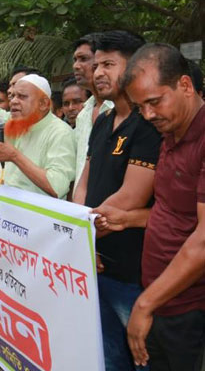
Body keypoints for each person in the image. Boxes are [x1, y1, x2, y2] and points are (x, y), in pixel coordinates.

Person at [95, 43, 205, 371]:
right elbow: (177, 212)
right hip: (161, 299)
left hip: (187, 307)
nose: (148, 115)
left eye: (154, 102)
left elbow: (202, 241)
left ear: (185, 85)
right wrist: (129, 219)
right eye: (141, 107)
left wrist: (144, 304)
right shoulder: (171, 131)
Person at [73, 30, 156, 371]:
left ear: (135, 67)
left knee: (145, 358)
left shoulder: (147, 122)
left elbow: (132, 197)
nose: (98, 72)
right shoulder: (103, 120)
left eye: (109, 64)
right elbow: (84, 182)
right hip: (94, 261)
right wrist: (80, 235)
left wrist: (82, 233)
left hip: (132, 269)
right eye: (97, 64)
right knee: (109, 358)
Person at [0, 33, 76, 199]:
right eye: (13, 96)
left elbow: (57, 187)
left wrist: (14, 156)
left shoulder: (60, 133)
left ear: (43, 104)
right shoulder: (13, 123)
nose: (14, 101)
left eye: (22, 97)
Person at [73, 32, 115, 187]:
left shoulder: (122, 112)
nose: (76, 66)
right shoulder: (83, 113)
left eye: (83, 59)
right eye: (75, 60)